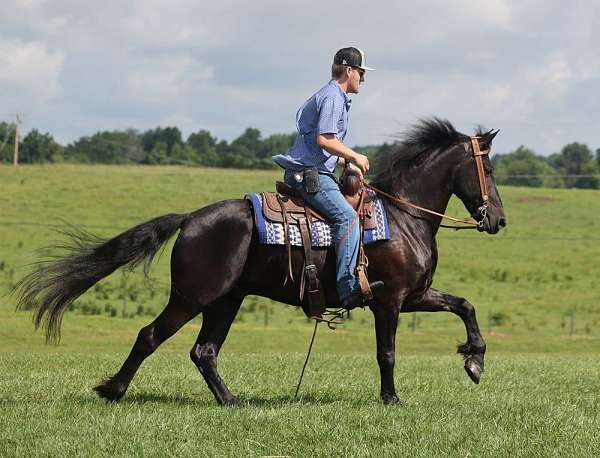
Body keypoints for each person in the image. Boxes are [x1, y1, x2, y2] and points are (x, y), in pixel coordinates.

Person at [272, 46, 383, 309]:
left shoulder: (331, 95)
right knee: (347, 218)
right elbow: (324, 139)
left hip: (313, 170)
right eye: (361, 72)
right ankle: (348, 288)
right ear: (349, 71)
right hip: (311, 175)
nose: (363, 78)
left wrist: (344, 160)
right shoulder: (334, 96)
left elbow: (322, 143)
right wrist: (354, 156)